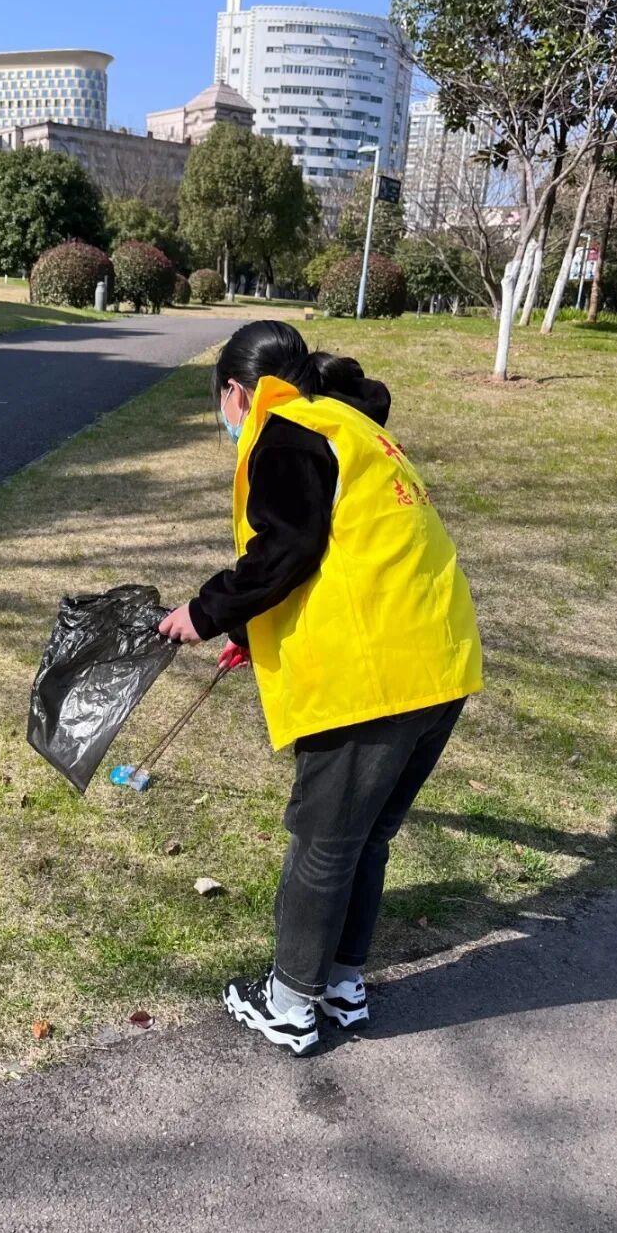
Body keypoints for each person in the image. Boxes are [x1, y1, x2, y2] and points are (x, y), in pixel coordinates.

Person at [158, 320, 483, 1055]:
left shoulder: (288, 432)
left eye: (221, 403)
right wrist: (251, 635)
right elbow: (342, 548)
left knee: (325, 844)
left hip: (376, 679)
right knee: (366, 839)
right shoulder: (349, 424)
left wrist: (206, 613)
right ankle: (341, 983)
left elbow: (288, 547)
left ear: (236, 391)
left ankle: (289, 1006)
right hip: (440, 662)